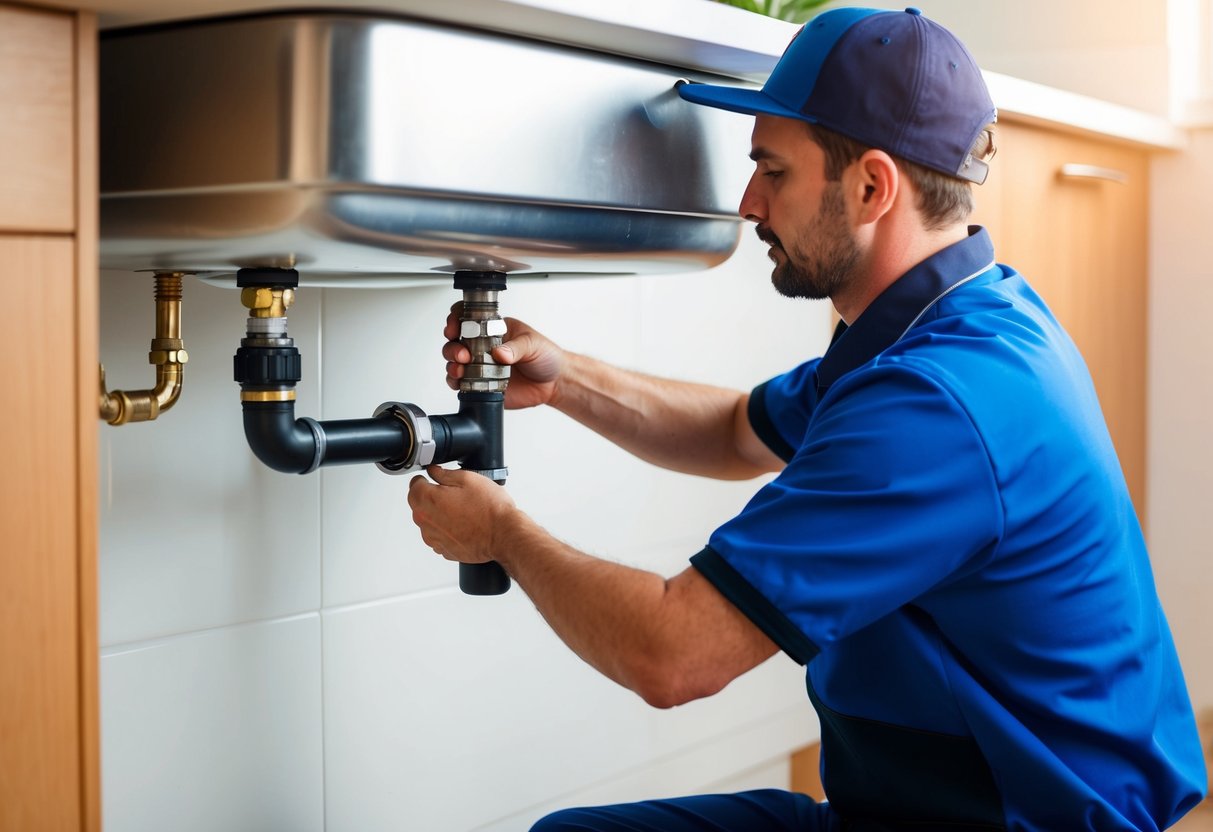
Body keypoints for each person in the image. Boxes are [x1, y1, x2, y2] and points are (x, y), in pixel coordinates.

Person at [407, 7, 1208, 831]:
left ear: (870, 186)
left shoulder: (934, 405)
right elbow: (734, 432)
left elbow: (669, 656)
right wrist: (568, 376)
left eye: (773, 171)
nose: (749, 202)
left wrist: (500, 532)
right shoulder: (951, 319)